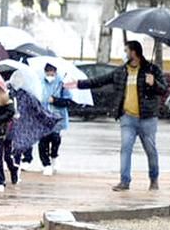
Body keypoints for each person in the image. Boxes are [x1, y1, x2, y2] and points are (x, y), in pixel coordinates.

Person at [69, 40, 165, 191]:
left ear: (134, 52)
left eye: (126, 50)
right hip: (128, 117)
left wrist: (154, 83)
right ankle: (124, 181)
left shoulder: (152, 69)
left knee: (150, 150)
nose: (124, 53)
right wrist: (79, 84)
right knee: (125, 148)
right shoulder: (121, 71)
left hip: (147, 118)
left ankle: (154, 179)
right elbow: (100, 80)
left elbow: (163, 90)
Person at [39, 63, 70, 175]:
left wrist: (55, 100)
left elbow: (67, 101)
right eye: (47, 71)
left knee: (55, 138)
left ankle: (54, 155)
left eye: (51, 71)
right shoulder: (40, 83)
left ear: (55, 72)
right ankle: (46, 164)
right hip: (43, 116)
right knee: (43, 141)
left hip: (57, 116)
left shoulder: (62, 84)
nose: (49, 74)